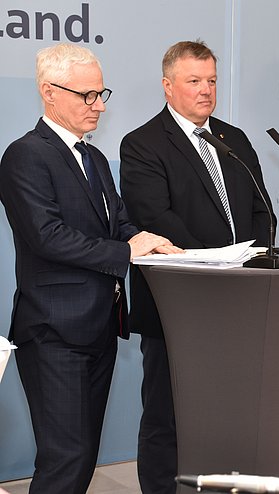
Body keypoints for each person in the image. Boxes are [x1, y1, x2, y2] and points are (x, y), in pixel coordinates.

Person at [0, 43, 178, 494]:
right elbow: (47, 236)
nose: (98, 105)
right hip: (54, 331)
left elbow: (118, 224)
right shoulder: (25, 155)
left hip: (98, 327)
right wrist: (127, 253)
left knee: (80, 460)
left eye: (101, 94)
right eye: (86, 95)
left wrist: (151, 243)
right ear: (49, 93)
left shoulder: (94, 157)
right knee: (65, 461)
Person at [119, 40, 273, 494]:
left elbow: (262, 208)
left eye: (211, 81)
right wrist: (221, 260)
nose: (206, 91)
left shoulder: (234, 139)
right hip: (178, 302)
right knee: (167, 412)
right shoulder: (142, 143)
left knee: (226, 411)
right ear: (168, 87)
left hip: (238, 298)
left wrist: (251, 257)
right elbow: (155, 219)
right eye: (194, 82)